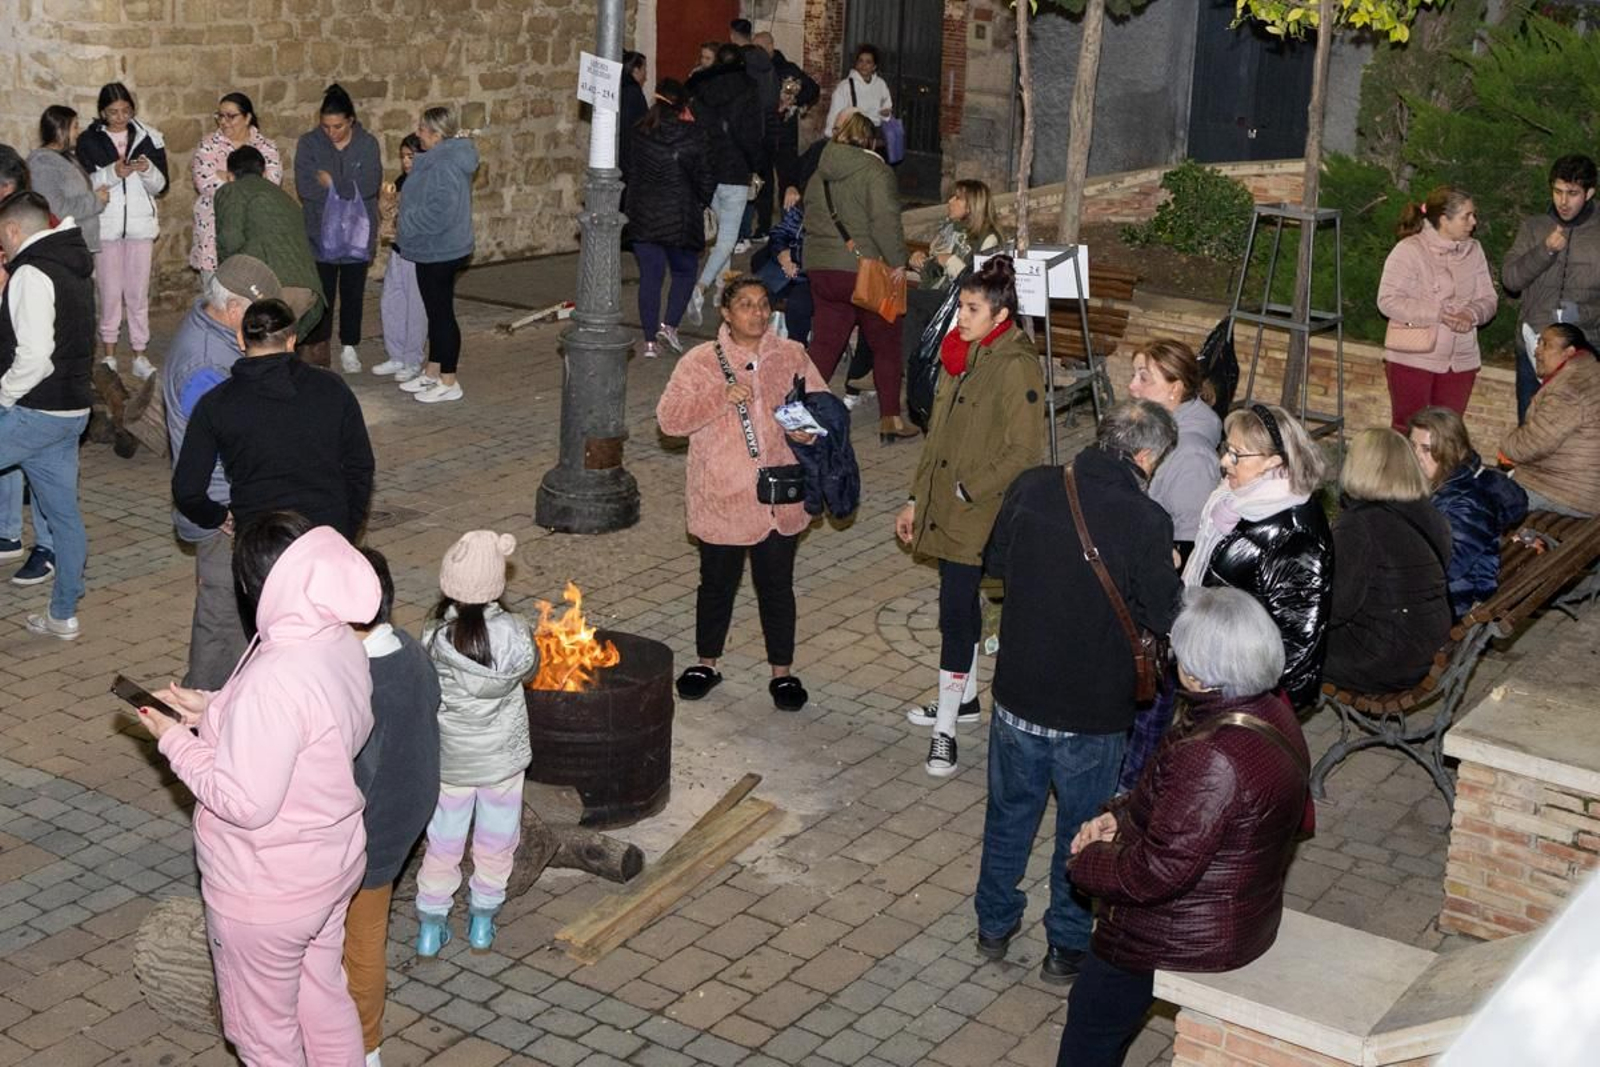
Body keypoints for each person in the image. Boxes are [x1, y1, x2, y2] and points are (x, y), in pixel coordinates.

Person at [136, 512, 378, 1066]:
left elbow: (245, 802)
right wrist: (217, 707)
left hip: (267, 889)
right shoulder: (335, 640)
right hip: (329, 864)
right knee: (323, 998)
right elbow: (315, 727)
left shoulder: (274, 679)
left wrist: (174, 738)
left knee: (262, 1036)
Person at [977, 399, 1182, 987]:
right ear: (1145, 455)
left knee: (1009, 815)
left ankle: (993, 926)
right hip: (1094, 711)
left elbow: (995, 565)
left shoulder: (1033, 485)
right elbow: (1163, 613)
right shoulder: (1146, 521)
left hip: (1019, 694)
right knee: (1082, 830)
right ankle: (1065, 947)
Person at [1062, 587, 1310, 1067]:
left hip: (1184, 929)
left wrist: (1086, 863)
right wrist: (1119, 815)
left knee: (1091, 1024)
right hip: (1235, 908)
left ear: (1196, 674)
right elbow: (1179, 801)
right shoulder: (1271, 711)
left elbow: (1154, 874)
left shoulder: (1213, 752)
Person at [896, 257, 1045, 775]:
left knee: (956, 615)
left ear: (1000, 315)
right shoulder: (964, 353)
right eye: (960, 305)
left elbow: (1025, 451)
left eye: (971, 308)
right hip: (945, 507)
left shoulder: (1014, 365)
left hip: (980, 513)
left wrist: (966, 489)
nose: (959, 316)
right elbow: (936, 436)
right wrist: (918, 498)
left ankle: (945, 733)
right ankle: (964, 700)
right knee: (956, 610)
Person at [657, 277, 828, 713]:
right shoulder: (700, 362)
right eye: (746, 305)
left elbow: (823, 407)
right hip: (723, 498)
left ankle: (782, 673)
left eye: (763, 304)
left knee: (777, 587)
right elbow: (670, 421)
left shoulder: (791, 355)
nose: (757, 312)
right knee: (717, 585)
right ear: (727, 314)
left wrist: (806, 434)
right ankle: (706, 663)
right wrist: (720, 396)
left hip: (778, 499)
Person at [164, 256, 315, 689]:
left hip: (230, 505)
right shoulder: (207, 366)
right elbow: (216, 450)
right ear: (234, 310)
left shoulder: (219, 338)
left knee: (240, 620)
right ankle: (199, 724)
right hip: (223, 516)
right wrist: (230, 512)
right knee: (222, 625)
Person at [415, 530, 538, 957]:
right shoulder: (515, 632)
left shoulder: (433, 636)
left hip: (451, 761)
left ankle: (431, 926)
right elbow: (529, 672)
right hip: (501, 761)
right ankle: (483, 920)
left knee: (444, 840)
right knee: (497, 839)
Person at [172, 298, 374, 543]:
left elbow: (187, 491)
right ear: (291, 341)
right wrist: (347, 527)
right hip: (327, 534)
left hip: (260, 542)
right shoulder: (332, 388)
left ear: (240, 339)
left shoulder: (215, 404)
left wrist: (217, 517)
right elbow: (360, 466)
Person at [346, 547, 441, 1066]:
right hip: (411, 806)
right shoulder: (408, 649)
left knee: (362, 941)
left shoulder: (360, 682)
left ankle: (365, 1047)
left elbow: (354, 775)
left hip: (371, 831)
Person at [1183, 403, 1333, 709]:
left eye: (1238, 454)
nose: (1225, 461)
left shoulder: (1294, 536)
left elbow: (1297, 638)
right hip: (1218, 667)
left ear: (1274, 461)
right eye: (1227, 448)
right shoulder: (1236, 500)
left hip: (1245, 689)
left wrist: (1255, 702)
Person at [0, 191, 94, 640]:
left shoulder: (31, 273)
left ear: (14, 230)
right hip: (70, 410)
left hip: (35, 411)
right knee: (64, 517)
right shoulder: (71, 264)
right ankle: (62, 615)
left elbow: (35, 358)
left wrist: (2, 396)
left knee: (63, 516)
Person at [803, 112, 915, 442]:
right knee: (886, 345)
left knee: (824, 345)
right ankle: (890, 419)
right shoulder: (875, 171)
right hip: (864, 271)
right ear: (870, 140)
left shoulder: (818, 172)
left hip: (822, 270)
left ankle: (801, 414)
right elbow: (884, 222)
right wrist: (898, 263)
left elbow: (808, 217)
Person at [1323, 429, 1452, 694]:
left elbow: (1336, 608)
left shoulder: (1359, 524)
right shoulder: (1429, 512)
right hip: (1426, 643)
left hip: (1385, 658)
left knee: (1282, 645)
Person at [1376, 185, 1496, 430]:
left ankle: (1444, 470)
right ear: (1444, 219)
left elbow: (1489, 299)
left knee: (1448, 434)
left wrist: (1471, 314)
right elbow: (1387, 300)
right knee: (1408, 429)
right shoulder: (1409, 250)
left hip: (1461, 360)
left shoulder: (1474, 251)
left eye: (1474, 215)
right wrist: (1438, 314)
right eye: (1467, 216)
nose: (1473, 222)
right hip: (1413, 357)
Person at [76, 82, 167, 381]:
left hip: (140, 225)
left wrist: (146, 170)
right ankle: (110, 355)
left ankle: (141, 353)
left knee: (138, 294)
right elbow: (87, 184)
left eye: (126, 111)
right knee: (111, 292)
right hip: (107, 225)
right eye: (113, 112)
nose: (120, 117)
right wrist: (113, 174)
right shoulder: (89, 140)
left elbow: (161, 185)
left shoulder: (148, 137)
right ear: (102, 112)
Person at [1503, 154, 1600, 423]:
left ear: (1589, 193)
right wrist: (1544, 250)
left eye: (1572, 193)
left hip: (1583, 351)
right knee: (1530, 427)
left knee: (1576, 432)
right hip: (1535, 348)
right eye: (1557, 191)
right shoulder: (1534, 227)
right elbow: (1511, 279)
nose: (1563, 201)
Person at [1407, 406, 1528, 620]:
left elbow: (1447, 567)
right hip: (1431, 593)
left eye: (1426, 449)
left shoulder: (1469, 503)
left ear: (1450, 451)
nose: (1415, 456)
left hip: (1452, 601)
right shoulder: (1438, 484)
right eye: (1413, 446)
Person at [623, 79, 714, 359]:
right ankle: (670, 325)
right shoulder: (694, 135)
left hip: (644, 214)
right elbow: (705, 177)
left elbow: (631, 170)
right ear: (683, 105)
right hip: (681, 215)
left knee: (650, 277)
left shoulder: (640, 132)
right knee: (685, 272)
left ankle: (649, 342)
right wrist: (702, 200)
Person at [295, 84, 383, 374]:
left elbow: (369, 185)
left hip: (357, 233)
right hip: (321, 233)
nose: (331, 133)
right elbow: (305, 186)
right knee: (322, 295)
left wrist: (332, 183)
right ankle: (318, 349)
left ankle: (350, 346)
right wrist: (340, 186)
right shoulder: (309, 143)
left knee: (353, 292)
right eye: (326, 126)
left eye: (338, 126)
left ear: (351, 122)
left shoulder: (367, 144)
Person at [395, 105, 478, 404]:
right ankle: (432, 372)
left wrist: (405, 220)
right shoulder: (439, 158)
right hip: (432, 247)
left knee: (442, 315)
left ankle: (449, 380)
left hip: (441, 248)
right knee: (435, 312)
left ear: (437, 134)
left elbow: (441, 210)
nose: (418, 135)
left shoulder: (446, 164)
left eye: (422, 130)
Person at [0, 145, 53, 585]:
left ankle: (50, 545)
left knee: (40, 454)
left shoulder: (34, 226)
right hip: (8, 343)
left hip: (35, 359)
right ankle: (7, 533)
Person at [684, 44, 763, 326]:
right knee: (728, 237)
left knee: (721, 238)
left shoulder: (703, 88)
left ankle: (722, 290)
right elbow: (752, 133)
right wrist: (756, 165)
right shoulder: (749, 89)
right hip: (735, 169)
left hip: (710, 168)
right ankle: (700, 288)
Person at [215, 145, 327, 341]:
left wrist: (226, 286)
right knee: (278, 350)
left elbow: (230, 240)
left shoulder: (231, 191)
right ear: (264, 172)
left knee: (255, 348)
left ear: (230, 175)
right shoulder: (284, 197)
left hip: (266, 288)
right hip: (306, 289)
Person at [1124, 339, 1223, 561]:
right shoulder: (1153, 428)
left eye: (1144, 378)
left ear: (1175, 388)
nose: (1132, 386)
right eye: (1133, 375)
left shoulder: (1192, 457)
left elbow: (1189, 545)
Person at [1499, 322, 1600, 517]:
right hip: (1583, 487)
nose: (1537, 351)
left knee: (1477, 503)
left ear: (1569, 352)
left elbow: (1529, 445)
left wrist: (1506, 443)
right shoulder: (1590, 371)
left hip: (1564, 493)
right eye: (1538, 343)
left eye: (1546, 345)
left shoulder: (1568, 389)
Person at [191, 91, 282, 283]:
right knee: (214, 298)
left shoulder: (266, 147)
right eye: (220, 116)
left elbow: (270, 185)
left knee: (251, 294)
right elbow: (205, 184)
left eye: (231, 116)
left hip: (254, 231)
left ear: (248, 117)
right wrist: (249, 179)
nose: (224, 121)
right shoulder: (208, 146)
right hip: (214, 231)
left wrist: (227, 177)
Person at [375, 134, 426, 381]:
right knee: (392, 301)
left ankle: (412, 359)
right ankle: (396, 354)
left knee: (415, 307)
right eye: (403, 156)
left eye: (411, 156)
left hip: (417, 252)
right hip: (398, 250)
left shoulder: (426, 182)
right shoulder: (402, 181)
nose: (406, 162)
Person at [825, 44, 893, 136]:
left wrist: (885, 114)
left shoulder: (881, 84)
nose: (863, 65)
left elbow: (886, 108)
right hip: (854, 135)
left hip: (875, 136)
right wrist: (830, 134)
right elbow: (835, 113)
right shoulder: (845, 86)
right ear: (856, 64)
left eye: (868, 62)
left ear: (874, 66)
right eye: (860, 61)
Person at [619, 51, 650, 177]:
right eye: (644, 69)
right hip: (630, 158)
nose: (645, 74)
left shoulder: (622, 90)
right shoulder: (633, 93)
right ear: (636, 70)